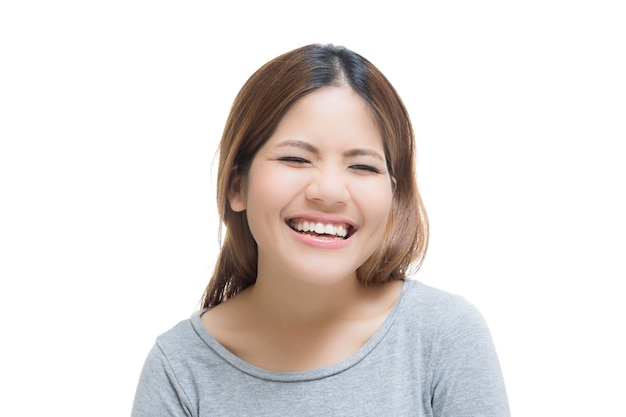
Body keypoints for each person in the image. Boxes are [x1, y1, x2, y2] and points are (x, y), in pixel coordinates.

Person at [131, 43, 510, 416]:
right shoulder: (178, 369)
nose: (329, 192)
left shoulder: (444, 335)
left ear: (393, 193)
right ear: (237, 186)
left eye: (362, 166)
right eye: (295, 158)